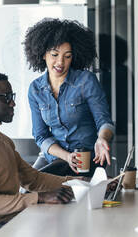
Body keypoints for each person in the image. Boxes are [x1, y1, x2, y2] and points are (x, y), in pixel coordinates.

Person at [0, 72, 77, 237]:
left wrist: (79, 183)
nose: (12, 103)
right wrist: (38, 198)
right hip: (3, 230)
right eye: (6, 97)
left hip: (18, 220)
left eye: (12, 96)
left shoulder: (1, 139)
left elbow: (33, 180)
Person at [23, 18, 115, 177]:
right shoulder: (35, 89)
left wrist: (102, 139)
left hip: (86, 158)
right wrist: (66, 156)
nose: (60, 62)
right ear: (42, 54)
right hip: (55, 157)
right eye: (54, 54)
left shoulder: (86, 81)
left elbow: (105, 121)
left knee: (75, 194)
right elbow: (40, 135)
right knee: (26, 188)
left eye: (67, 56)